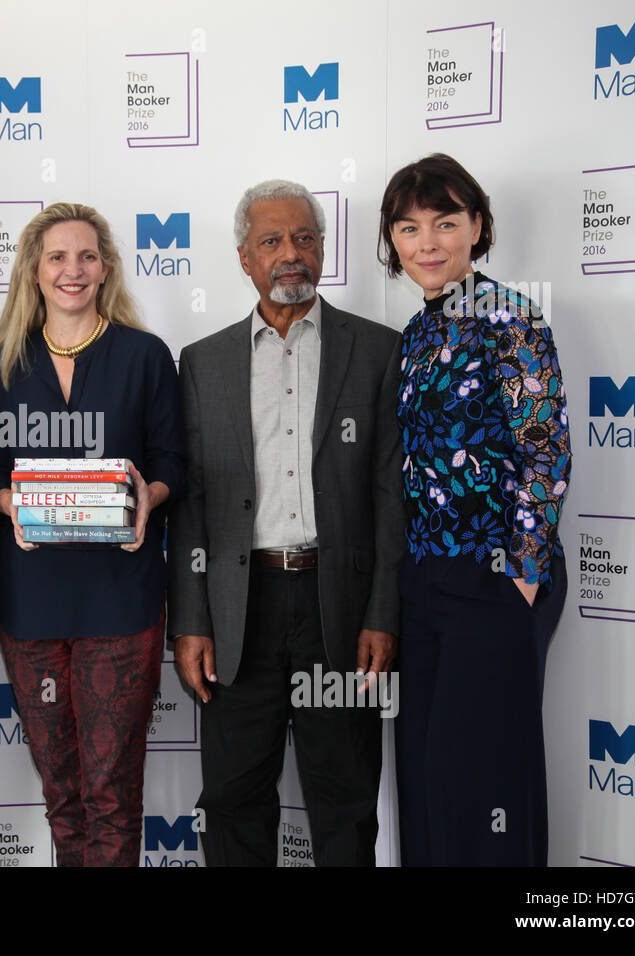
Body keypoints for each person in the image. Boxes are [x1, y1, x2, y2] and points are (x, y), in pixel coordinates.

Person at [167, 180, 403, 866]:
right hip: (241, 613)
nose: (290, 254)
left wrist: (383, 613)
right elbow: (191, 507)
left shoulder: (377, 351)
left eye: (305, 237)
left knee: (345, 801)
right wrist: (191, 622)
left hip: (340, 610)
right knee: (234, 801)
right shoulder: (202, 363)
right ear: (244, 257)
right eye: (271, 241)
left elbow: (392, 498)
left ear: (324, 249)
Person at [0, 202, 184, 866]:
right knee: (64, 796)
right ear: (35, 270)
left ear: (106, 268)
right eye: (58, 256)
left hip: (120, 600)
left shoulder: (144, 355)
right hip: (32, 604)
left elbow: (173, 462)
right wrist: (11, 504)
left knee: (111, 795)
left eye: (88, 256)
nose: (74, 269)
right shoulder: (2, 365)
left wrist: (146, 499)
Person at [379, 153, 570, 866]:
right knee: (429, 786)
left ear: (478, 227)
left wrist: (519, 577)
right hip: (424, 586)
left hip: (494, 582)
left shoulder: (509, 318)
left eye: (445, 222)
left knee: (486, 788)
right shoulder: (416, 337)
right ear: (393, 242)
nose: (427, 242)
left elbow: (546, 451)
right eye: (408, 227)